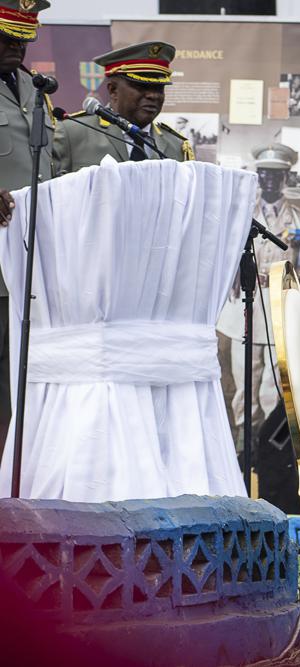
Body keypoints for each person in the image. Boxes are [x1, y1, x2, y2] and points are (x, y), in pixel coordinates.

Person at [216, 144, 300, 448]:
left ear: (286, 176)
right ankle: (242, 448)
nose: (271, 180)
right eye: (265, 173)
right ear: (258, 176)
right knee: (243, 388)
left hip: (280, 312)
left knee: (274, 391)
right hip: (244, 313)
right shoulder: (241, 219)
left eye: (277, 174)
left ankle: (267, 452)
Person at [0, 0, 53, 454]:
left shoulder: (36, 91)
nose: (15, 46)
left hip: (29, 267)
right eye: (6, 36)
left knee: (19, 393)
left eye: (22, 37)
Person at [52, 41, 192, 174]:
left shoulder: (175, 146)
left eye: (159, 88)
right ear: (113, 90)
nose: (153, 96)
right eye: (142, 87)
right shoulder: (73, 134)